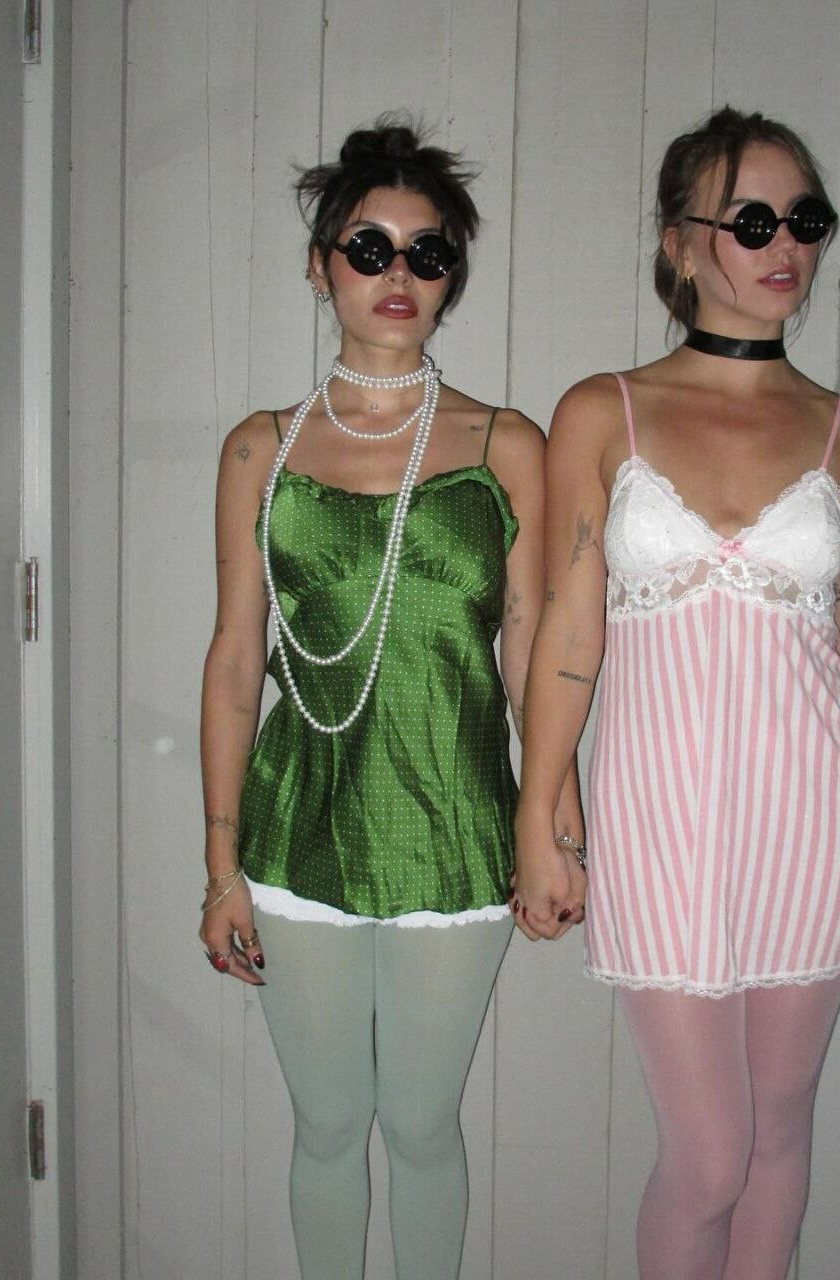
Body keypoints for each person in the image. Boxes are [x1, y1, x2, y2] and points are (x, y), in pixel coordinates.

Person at [513, 106, 840, 1278]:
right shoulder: (601, 410)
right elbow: (566, 630)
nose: (783, 244)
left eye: (805, 219)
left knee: (779, 1132)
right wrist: (538, 810)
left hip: (816, 809)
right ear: (678, 242)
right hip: (657, 814)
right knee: (707, 1157)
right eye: (752, 220)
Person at [198, 116, 582, 1280]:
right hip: (296, 825)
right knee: (324, 1125)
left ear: (452, 272)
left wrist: (550, 816)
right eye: (368, 247)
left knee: (420, 1124)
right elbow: (233, 657)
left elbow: (531, 645)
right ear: (321, 265)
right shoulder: (259, 448)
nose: (398, 273)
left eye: (427, 251)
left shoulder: (506, 444)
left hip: (456, 825)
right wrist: (219, 863)